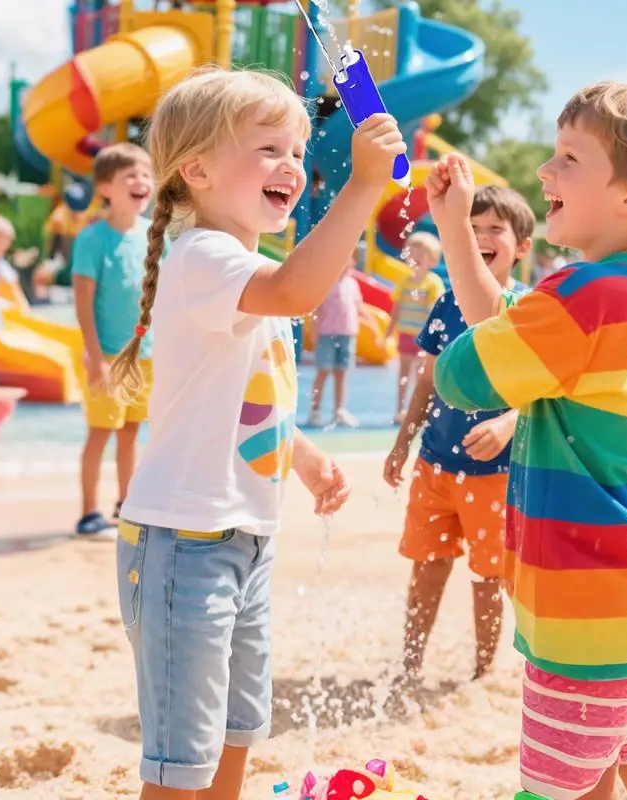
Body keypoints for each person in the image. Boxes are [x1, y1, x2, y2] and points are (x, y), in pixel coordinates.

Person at [427, 82, 627, 800]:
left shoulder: (582, 298)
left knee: (551, 788)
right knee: (620, 755)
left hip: (585, 610)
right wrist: (455, 232)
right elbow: (506, 328)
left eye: (569, 157)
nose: (544, 171)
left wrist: (468, 349)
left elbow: (465, 372)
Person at [107, 68, 405, 800]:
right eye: (268, 147)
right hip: (183, 546)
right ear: (197, 170)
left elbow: (242, 391)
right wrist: (363, 187)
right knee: (183, 762)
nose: (292, 166)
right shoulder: (203, 255)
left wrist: (297, 453)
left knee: (238, 731)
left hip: (243, 541)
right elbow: (301, 292)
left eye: (298, 150)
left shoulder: (242, 265)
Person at [383, 185, 534, 685]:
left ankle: (482, 672)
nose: (483, 237)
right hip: (435, 463)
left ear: (522, 246)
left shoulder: (529, 310)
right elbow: (427, 379)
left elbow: (546, 390)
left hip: (496, 474)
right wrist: (403, 442)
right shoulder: (447, 303)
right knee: (426, 568)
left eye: (495, 229)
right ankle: (409, 666)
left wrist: (508, 421)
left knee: (489, 576)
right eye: (472, 230)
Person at [71, 143, 158, 538]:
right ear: (106, 188)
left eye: (145, 174)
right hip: (106, 353)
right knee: (101, 432)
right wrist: (94, 356)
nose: (141, 182)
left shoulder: (154, 235)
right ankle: (89, 513)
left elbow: (168, 292)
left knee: (131, 430)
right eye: (130, 176)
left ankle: (127, 505)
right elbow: (83, 303)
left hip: (146, 353)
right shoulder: (93, 239)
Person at [387, 231, 445, 422]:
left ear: (433, 260)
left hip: (424, 338)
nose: (416, 257)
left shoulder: (432, 283)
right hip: (405, 334)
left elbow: (435, 310)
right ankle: (400, 409)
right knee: (403, 374)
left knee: (423, 376)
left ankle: (422, 410)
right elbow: (397, 309)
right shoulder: (403, 282)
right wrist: (388, 332)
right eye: (413, 253)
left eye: (422, 254)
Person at [308, 250, 363, 428]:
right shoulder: (326, 283)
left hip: (347, 333)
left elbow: (358, 308)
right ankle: (315, 410)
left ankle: (340, 410)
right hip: (327, 333)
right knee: (323, 371)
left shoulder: (352, 283)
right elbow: (318, 310)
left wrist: (370, 327)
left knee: (342, 372)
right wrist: (314, 331)